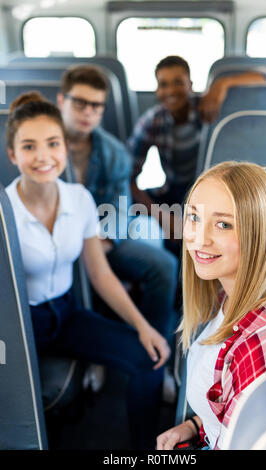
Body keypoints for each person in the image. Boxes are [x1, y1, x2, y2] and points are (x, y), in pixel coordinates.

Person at [5, 92, 171, 450]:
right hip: (21, 327)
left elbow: (100, 273)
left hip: (66, 314)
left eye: (52, 143)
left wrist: (143, 327)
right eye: (29, 146)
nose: (44, 156)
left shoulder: (79, 197)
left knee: (150, 358)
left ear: (65, 148)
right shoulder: (5, 214)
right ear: (13, 154)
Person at [156, 161, 266, 450]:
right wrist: (196, 424)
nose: (199, 237)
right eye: (194, 217)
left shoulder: (263, 345)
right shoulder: (244, 283)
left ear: (258, 233)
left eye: (223, 224)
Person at [56, 64, 178, 349]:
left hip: (99, 240)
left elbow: (119, 208)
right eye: (81, 103)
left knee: (164, 266)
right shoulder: (43, 146)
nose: (89, 112)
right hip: (51, 238)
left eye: (97, 106)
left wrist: (101, 241)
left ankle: (152, 344)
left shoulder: (113, 153)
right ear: (62, 101)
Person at [128, 56, 266, 210]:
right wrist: (161, 217)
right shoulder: (151, 121)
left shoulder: (209, 106)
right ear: (157, 90)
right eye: (163, 84)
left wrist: (223, 83)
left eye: (178, 83)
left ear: (190, 85)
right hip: (174, 193)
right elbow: (127, 176)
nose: (170, 91)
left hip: (215, 191)